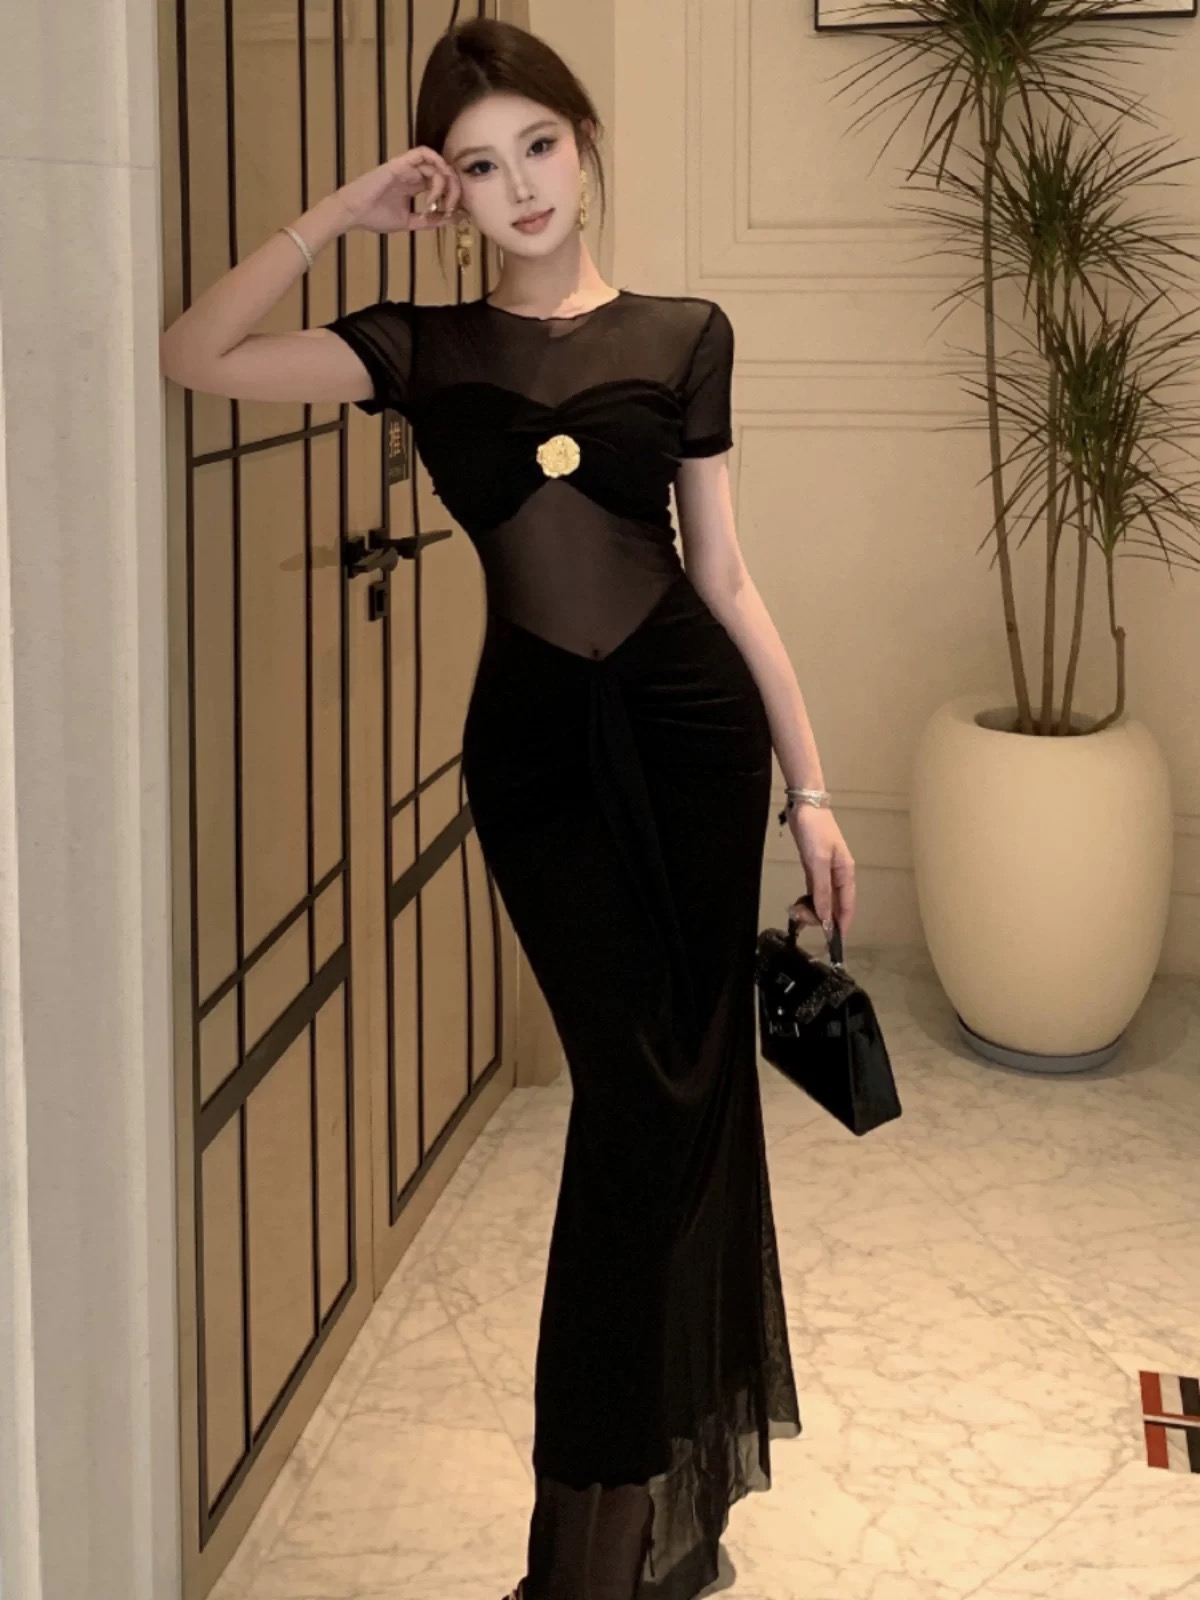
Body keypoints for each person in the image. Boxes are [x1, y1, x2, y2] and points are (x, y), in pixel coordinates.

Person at [160, 18, 856, 1599]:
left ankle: (635, 1536)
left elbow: (724, 577)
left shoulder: (685, 333)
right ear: (448, 192)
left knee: (684, 1102)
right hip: (537, 760)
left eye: (539, 144)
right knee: (630, 1110)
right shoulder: (421, 348)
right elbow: (194, 355)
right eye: (478, 165)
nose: (520, 184)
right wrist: (342, 214)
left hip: (694, 739)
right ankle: (588, 1552)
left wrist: (811, 788)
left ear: (584, 143)